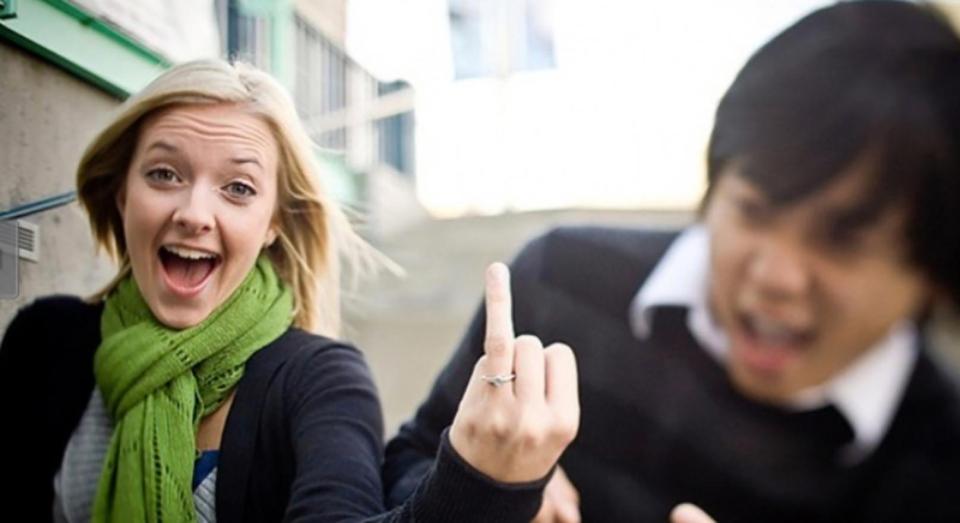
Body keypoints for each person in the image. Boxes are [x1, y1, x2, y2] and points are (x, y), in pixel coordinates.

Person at [383, 2, 960, 521]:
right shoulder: (561, 282)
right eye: (755, 210)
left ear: (932, 273)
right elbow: (404, 463)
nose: (774, 275)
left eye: (841, 240)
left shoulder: (939, 464)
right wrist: (479, 492)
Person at [0, 59, 579, 522]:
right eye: (164, 174)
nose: (194, 212)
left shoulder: (321, 379)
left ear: (274, 220)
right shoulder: (47, 340)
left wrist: (478, 485)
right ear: (122, 194)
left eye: (238, 187)